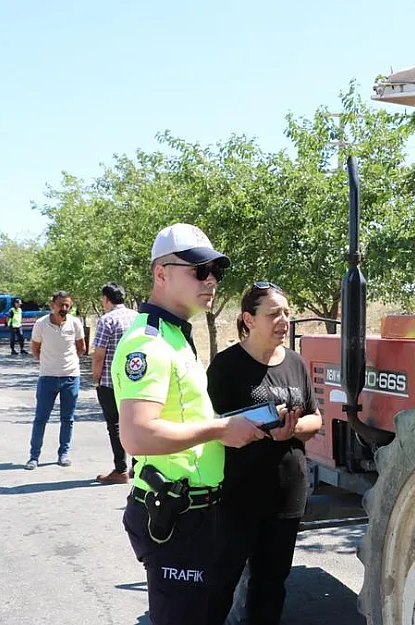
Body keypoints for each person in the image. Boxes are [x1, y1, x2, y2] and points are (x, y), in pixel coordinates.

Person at [114, 223, 266, 625]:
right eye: (199, 270)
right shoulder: (148, 343)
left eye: (215, 270)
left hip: (197, 511)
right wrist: (219, 431)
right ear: (161, 274)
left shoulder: (176, 336)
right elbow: (137, 434)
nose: (211, 279)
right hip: (176, 516)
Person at [207, 282, 323, 625]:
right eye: (273, 314)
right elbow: (208, 427)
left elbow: (315, 418)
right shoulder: (226, 367)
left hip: (287, 491)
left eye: (286, 313)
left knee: (271, 584)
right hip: (237, 492)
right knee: (221, 581)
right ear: (249, 319)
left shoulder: (296, 363)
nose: (283, 320)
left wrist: (290, 430)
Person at [26, 291, 86, 470]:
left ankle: (64, 454)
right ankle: (34, 456)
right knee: (41, 418)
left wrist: (68, 362)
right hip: (47, 377)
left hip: (70, 377)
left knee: (67, 419)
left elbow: (81, 348)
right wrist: (48, 362)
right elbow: (35, 349)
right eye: (61, 305)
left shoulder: (75, 323)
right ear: (52, 305)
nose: (64, 308)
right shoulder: (41, 324)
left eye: (68, 305)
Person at [91, 282, 138, 484]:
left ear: (106, 299)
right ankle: (138, 467)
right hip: (136, 379)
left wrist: (96, 378)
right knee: (136, 423)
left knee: (115, 425)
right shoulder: (136, 318)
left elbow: (99, 354)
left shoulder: (106, 320)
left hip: (111, 382)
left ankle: (120, 469)